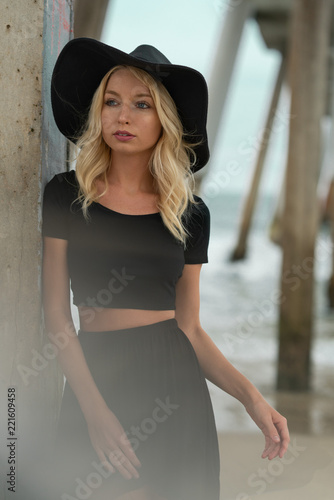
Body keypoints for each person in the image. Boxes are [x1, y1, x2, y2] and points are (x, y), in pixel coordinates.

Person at [42, 38, 290, 500]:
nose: (123, 116)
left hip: (174, 386)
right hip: (96, 375)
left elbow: (190, 328)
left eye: (142, 104)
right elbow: (56, 315)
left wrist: (252, 400)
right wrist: (94, 411)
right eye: (112, 102)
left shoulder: (189, 213)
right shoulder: (66, 195)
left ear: (165, 122)